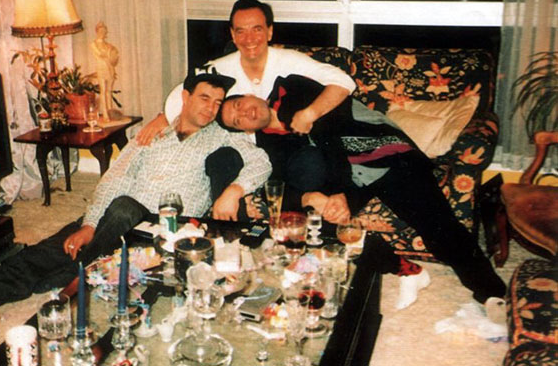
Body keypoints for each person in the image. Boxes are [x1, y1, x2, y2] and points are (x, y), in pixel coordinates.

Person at [0, 69, 271, 316]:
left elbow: (262, 163)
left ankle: (73, 275)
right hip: (112, 222)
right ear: (185, 97)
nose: (212, 108)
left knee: (124, 207)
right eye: (204, 98)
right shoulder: (151, 133)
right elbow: (115, 177)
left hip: (161, 233)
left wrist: (233, 191)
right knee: (47, 250)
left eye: (217, 102)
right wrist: (90, 225)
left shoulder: (221, 136)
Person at [217, 74, 507, 309]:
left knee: (437, 227)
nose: (244, 112)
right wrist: (313, 198)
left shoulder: (291, 87)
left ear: (251, 94)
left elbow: (330, 132)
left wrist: (340, 193)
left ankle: (493, 293)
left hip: (385, 154)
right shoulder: (268, 144)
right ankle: (407, 270)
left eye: (239, 104)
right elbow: (281, 185)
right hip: (349, 180)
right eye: (237, 120)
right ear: (244, 131)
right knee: (318, 228)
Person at [136, 0, 356, 194]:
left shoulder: (290, 61)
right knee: (220, 159)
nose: (249, 39)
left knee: (309, 163)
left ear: (269, 32)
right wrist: (167, 117)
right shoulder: (219, 68)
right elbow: (182, 95)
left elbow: (344, 81)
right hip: (246, 154)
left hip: (285, 153)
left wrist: (310, 113)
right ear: (233, 35)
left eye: (257, 29)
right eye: (241, 31)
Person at [91, 21, 119, 122]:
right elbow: (100, 54)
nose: (102, 33)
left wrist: (111, 56)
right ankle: (105, 113)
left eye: (104, 31)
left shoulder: (108, 45)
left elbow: (114, 57)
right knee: (103, 90)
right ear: (97, 32)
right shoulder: (94, 44)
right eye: (100, 31)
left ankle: (111, 112)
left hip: (110, 68)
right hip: (101, 68)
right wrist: (109, 54)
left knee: (109, 91)